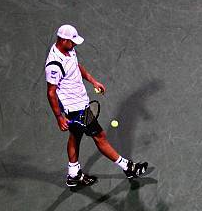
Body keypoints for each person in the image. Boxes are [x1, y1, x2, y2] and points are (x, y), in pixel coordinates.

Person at [45, 24, 148, 188]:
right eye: (72, 42)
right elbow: (51, 92)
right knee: (100, 137)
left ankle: (73, 175)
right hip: (76, 108)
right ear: (63, 40)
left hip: (80, 103)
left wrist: (93, 80)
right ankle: (128, 168)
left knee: (75, 136)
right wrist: (59, 117)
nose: (75, 45)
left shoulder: (68, 50)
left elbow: (76, 67)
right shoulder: (54, 65)